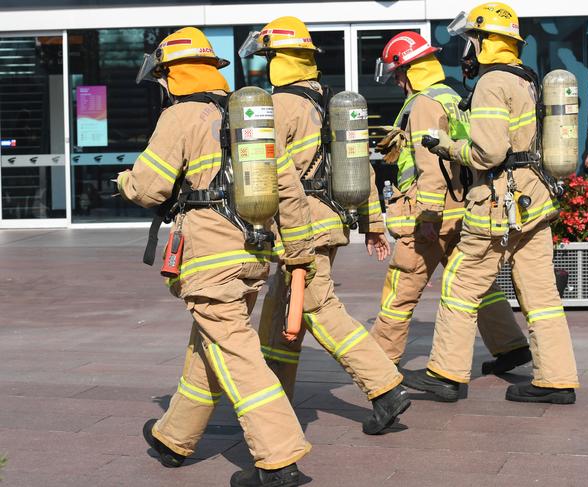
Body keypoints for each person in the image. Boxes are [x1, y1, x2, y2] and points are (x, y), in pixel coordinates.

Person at [117, 27, 314, 486]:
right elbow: (288, 189)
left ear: (174, 74)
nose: (163, 85)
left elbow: (150, 187)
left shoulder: (181, 116)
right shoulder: (247, 117)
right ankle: (173, 438)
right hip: (251, 254)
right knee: (208, 347)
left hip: (209, 259)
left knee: (237, 355)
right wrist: (299, 254)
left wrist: (124, 181)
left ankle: (278, 459)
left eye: (163, 76)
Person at [239, 16, 410, 434]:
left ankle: (385, 386)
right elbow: (361, 166)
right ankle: (276, 401)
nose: (263, 67)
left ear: (279, 60)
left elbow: (261, 170)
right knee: (282, 317)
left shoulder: (278, 106)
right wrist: (372, 222)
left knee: (318, 308)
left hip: (300, 226)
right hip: (329, 217)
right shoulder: (326, 100)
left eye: (267, 59)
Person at [418, 2, 580, 404]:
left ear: (485, 42)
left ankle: (445, 375)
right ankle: (557, 379)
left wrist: (446, 146)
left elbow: (488, 153)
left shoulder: (492, 84)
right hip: (533, 198)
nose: (466, 51)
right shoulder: (525, 79)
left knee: (460, 283)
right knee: (541, 296)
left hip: (497, 202)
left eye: (470, 41)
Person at [370, 31, 531, 393]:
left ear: (409, 70)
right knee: (478, 285)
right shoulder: (452, 95)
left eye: (398, 74)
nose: (397, 81)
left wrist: (427, 216)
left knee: (401, 288)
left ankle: (378, 361)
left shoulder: (424, 103)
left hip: (429, 216)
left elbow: (429, 166)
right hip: (460, 211)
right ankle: (510, 346)